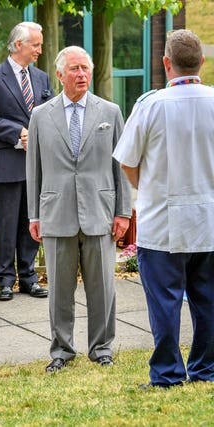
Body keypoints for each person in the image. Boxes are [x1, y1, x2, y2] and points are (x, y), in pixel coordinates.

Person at [113, 29, 214, 388]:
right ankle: (205, 368)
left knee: (164, 303)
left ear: (165, 63)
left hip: (163, 222)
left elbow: (126, 161)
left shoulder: (150, 105)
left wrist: (148, 186)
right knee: (209, 301)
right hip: (209, 221)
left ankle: (169, 373)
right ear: (201, 62)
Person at [26, 46, 131, 372]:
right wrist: (34, 214)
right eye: (74, 69)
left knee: (103, 288)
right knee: (59, 290)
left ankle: (102, 348)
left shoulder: (110, 112)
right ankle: (61, 351)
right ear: (59, 75)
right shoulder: (41, 116)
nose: (81, 74)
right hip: (56, 213)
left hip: (100, 211)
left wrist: (123, 211)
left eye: (85, 68)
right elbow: (34, 169)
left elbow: (122, 166)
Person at [0, 22, 53, 302]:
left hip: (36, 166)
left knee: (31, 222)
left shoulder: (43, 79)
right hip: (6, 164)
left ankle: (29, 278)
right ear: (18, 44)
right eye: (36, 45)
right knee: (7, 224)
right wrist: (16, 133)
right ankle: (5, 280)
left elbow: (50, 113)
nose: (40, 51)